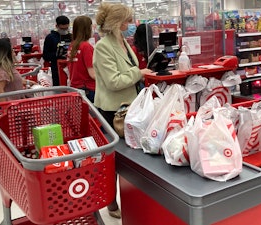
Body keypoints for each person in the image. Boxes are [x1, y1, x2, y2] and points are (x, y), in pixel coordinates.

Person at [93, 2, 152, 219]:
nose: (130, 25)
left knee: (130, 156)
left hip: (130, 106)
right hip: (113, 111)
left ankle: (130, 198)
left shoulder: (123, 43)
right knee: (114, 160)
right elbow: (113, 81)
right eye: (127, 21)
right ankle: (110, 201)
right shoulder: (103, 46)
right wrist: (140, 73)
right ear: (117, 23)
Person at [67, 16, 96, 103]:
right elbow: (92, 74)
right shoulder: (86, 47)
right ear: (87, 29)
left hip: (76, 87)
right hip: (88, 88)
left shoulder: (72, 45)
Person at [43, 15, 71, 86]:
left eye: (66, 28)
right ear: (57, 26)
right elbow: (45, 55)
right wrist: (57, 54)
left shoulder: (71, 36)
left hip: (70, 67)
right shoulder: (50, 38)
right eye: (62, 29)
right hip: (56, 69)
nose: (64, 31)